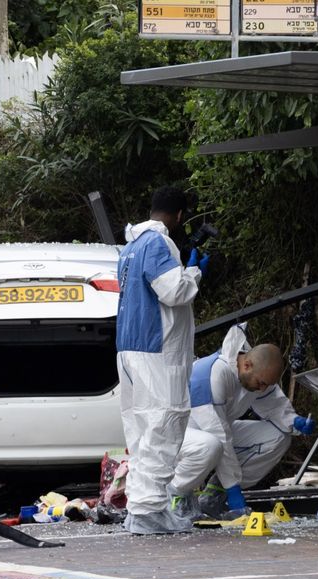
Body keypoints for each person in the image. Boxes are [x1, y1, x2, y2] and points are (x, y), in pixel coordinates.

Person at [117, 186, 208, 535]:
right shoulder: (159, 243)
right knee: (164, 425)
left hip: (129, 348)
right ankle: (146, 512)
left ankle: (142, 507)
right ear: (180, 216)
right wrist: (195, 273)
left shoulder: (131, 246)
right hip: (156, 350)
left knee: (143, 432)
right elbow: (173, 291)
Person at [168, 325, 315, 519]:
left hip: (214, 432)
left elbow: (274, 404)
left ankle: (214, 494)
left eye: (267, 385)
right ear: (246, 365)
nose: (262, 389)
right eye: (261, 383)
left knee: (279, 437)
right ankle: (173, 496)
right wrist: (234, 490)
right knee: (211, 446)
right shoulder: (211, 375)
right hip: (177, 433)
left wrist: (294, 421)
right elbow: (219, 436)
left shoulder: (254, 376)